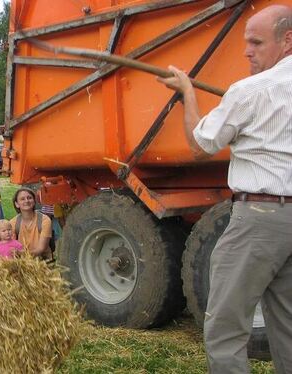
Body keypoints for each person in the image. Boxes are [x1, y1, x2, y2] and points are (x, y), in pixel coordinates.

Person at [158, 5, 292, 372]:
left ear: (288, 40)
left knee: (224, 328)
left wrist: (187, 92)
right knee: (289, 327)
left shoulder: (250, 90)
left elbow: (200, 146)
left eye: (256, 42)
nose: (247, 50)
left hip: (260, 219)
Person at [10, 187, 51, 258]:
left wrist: (22, 254)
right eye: (22, 199)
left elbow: (41, 249)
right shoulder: (13, 222)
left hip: (42, 260)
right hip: (21, 261)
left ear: (34, 201)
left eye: (29, 198)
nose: (26, 201)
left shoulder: (44, 220)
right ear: (17, 204)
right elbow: (11, 246)